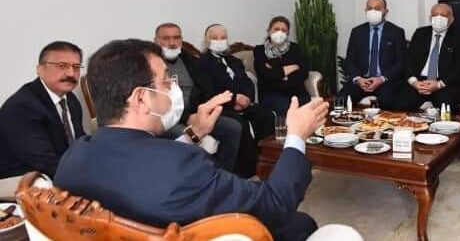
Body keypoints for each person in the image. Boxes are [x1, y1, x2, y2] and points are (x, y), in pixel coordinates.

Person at [54, 39, 330, 241]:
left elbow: (140, 168)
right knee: (301, 223)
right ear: (141, 98)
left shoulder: (74, 156)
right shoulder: (183, 166)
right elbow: (274, 204)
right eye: (165, 82)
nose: (173, 89)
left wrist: (192, 134)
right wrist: (296, 135)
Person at [154, 22, 243, 173]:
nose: (172, 43)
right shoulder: (150, 64)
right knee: (188, 137)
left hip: (196, 113)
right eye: (166, 38)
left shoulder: (191, 61)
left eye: (176, 38)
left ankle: (222, 175)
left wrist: (203, 111)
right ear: (156, 41)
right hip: (167, 118)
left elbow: (205, 91)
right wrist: (187, 117)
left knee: (233, 127)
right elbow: (154, 101)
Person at [0, 41, 86, 178]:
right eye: (62, 66)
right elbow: (46, 164)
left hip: (61, 174)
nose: (71, 73)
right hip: (25, 183)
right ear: (40, 69)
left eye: (76, 67)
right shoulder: (22, 108)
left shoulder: (70, 99)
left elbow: (80, 145)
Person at [199, 23, 275, 178]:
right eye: (215, 38)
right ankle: (247, 171)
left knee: (265, 115)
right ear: (207, 41)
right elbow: (208, 92)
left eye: (223, 37)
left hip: (243, 104)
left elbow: (247, 83)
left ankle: (267, 161)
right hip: (221, 107)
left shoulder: (234, 61)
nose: (219, 41)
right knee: (239, 124)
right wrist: (234, 100)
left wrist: (246, 98)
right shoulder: (202, 63)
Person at [339, 0, 408, 110]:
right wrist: (358, 79)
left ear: (386, 11)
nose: (373, 11)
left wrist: (382, 79)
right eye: (370, 8)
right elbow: (350, 60)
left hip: (385, 81)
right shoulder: (357, 32)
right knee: (340, 100)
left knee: (389, 102)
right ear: (365, 10)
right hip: (362, 80)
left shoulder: (396, 32)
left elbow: (400, 63)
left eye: (377, 8)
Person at [404, 3, 460, 112]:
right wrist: (414, 82)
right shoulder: (420, 33)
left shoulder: (459, 37)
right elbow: (408, 61)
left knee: (448, 106)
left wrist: (439, 84)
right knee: (399, 102)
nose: (439, 18)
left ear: (451, 19)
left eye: (443, 15)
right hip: (419, 81)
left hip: (444, 83)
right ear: (430, 18)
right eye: (435, 15)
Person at [254, 16, 310, 116]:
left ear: (287, 33)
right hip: (271, 93)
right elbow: (264, 74)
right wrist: (289, 68)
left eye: (283, 30)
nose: (279, 32)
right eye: (276, 29)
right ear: (269, 31)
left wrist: (276, 72)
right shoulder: (259, 51)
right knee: (284, 106)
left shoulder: (295, 48)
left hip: (296, 91)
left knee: (306, 106)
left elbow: (304, 71)